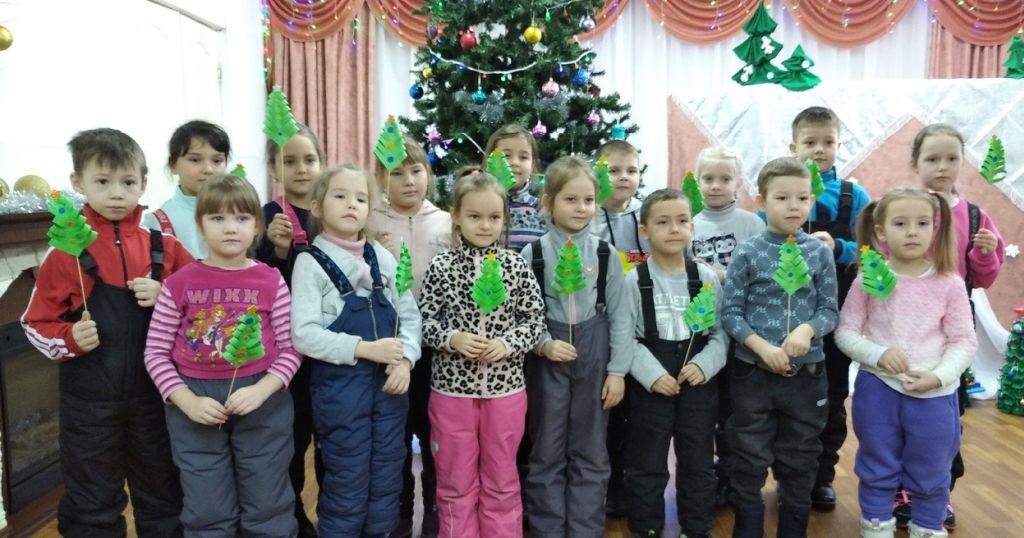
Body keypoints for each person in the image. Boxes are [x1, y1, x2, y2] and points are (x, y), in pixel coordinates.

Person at [21, 127, 192, 536]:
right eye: (103, 182)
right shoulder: (66, 251)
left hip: (155, 399)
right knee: (91, 500)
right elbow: (33, 322)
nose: (117, 193)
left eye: (128, 182)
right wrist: (68, 339)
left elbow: (202, 305)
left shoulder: (164, 244)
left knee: (164, 493)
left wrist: (167, 294)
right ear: (78, 182)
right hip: (88, 405)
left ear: (143, 184)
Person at [144, 174, 302, 536]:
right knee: (207, 506)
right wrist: (186, 401)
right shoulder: (178, 284)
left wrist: (261, 390)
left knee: (267, 500)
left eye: (241, 218)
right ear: (200, 224)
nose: (230, 228)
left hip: (263, 403)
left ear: (257, 226)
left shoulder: (272, 281)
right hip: (194, 405)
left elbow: (291, 348)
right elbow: (155, 353)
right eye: (217, 218)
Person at [836, 188, 976, 538]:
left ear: (934, 228)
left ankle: (928, 525)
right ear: (881, 231)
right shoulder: (868, 279)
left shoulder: (949, 283)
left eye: (922, 223)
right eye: (900, 223)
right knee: (877, 461)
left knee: (932, 465)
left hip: (933, 395)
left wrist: (938, 376)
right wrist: (878, 354)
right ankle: (876, 522)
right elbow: (846, 332)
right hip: (878, 389)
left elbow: (963, 340)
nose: (912, 231)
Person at [290, 164, 421, 537]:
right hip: (340, 394)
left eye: (361, 199)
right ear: (318, 207)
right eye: (340, 196)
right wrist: (365, 349)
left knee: (387, 476)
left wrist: (406, 360)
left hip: (389, 391)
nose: (352, 205)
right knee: (347, 478)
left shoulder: (382, 257)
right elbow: (304, 335)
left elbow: (410, 316)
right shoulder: (310, 263)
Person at [418, 169, 546, 537]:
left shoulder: (516, 266)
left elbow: (534, 321)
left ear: (505, 218)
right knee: (454, 480)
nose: (485, 225)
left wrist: (507, 343)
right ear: (456, 216)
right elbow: (423, 322)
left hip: (506, 392)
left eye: (494, 217)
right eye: (474, 216)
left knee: (502, 478)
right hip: (451, 393)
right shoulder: (441, 266)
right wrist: (452, 338)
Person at [721, 157, 838, 537]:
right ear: (761, 201)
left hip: (807, 376)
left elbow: (829, 310)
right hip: (752, 374)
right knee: (747, 457)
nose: (794, 206)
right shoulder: (747, 251)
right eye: (782, 198)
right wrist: (761, 348)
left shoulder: (819, 252)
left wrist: (807, 330)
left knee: (800, 460)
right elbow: (731, 313)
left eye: (802, 198)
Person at [895, 123, 1005, 530]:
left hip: (952, 332)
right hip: (906, 327)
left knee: (944, 417)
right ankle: (899, 488)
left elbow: (985, 279)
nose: (942, 166)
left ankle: (938, 491)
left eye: (951, 158)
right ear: (916, 163)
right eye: (932, 158)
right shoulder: (901, 208)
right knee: (900, 409)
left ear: (962, 161)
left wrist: (985, 254)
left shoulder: (976, 216)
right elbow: (883, 264)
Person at [520, 155, 633, 537]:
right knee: (546, 447)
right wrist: (542, 344)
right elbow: (523, 315)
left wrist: (617, 372)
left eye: (588, 200)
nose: (581, 207)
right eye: (571, 199)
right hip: (547, 359)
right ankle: (547, 529)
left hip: (595, 355)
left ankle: (585, 529)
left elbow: (621, 317)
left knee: (591, 448)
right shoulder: (533, 254)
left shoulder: (606, 255)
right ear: (549, 202)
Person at [624, 189, 727, 538]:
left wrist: (704, 365)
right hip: (651, 382)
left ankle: (697, 527)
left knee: (698, 459)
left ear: (692, 228)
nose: (674, 229)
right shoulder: (634, 280)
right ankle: (647, 527)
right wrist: (651, 375)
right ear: (645, 231)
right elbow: (625, 338)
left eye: (683, 221)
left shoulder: (706, 279)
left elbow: (720, 334)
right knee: (647, 459)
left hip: (697, 379)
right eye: (663, 222)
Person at [786, 106, 872, 510]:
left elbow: (874, 249)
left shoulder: (855, 196)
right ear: (793, 147)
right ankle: (788, 475)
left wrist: (838, 247)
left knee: (830, 397)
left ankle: (821, 476)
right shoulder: (780, 190)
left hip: (836, 316)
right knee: (784, 399)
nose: (819, 149)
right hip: (785, 316)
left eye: (828, 142)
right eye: (810, 142)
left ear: (839, 145)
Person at [367, 135, 452, 538]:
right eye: (396, 172)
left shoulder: (448, 221)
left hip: (437, 348)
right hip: (391, 346)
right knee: (395, 437)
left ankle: (435, 511)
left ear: (428, 173)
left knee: (435, 435)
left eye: (416, 170)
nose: (408, 180)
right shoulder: (370, 220)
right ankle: (401, 513)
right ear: (380, 177)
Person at [255, 123, 326, 537]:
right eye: (291, 161)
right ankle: (294, 512)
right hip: (289, 351)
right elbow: (259, 283)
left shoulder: (333, 208)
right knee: (293, 437)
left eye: (310, 160)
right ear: (273, 168)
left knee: (331, 435)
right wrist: (277, 251)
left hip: (331, 346)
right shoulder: (267, 217)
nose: (301, 169)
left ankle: (333, 510)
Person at [687, 146, 766, 507]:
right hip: (702, 331)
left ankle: (737, 478)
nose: (716, 185)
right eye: (708, 178)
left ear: (738, 183)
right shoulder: (689, 223)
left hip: (744, 332)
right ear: (697, 181)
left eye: (724, 178)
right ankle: (709, 479)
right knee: (708, 409)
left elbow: (762, 274)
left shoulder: (752, 225)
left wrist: (723, 275)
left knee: (739, 411)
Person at [592, 139, 647, 516]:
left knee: (636, 416)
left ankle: (630, 485)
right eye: (613, 170)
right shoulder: (588, 216)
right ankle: (607, 487)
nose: (623, 177)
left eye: (631, 170)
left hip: (644, 327)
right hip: (602, 326)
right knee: (608, 411)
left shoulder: (646, 216)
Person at [142, 120, 231, 258]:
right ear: (173, 165)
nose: (208, 169)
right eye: (195, 160)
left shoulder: (240, 213)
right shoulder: (155, 223)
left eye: (217, 161)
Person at [483, 124, 545, 251]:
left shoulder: (540, 208)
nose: (515, 162)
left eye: (523, 157)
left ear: (532, 165)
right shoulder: (479, 205)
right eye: (506, 155)